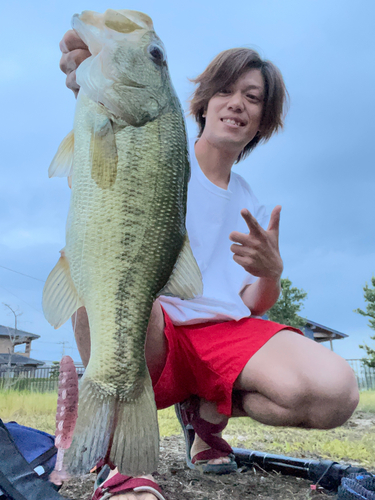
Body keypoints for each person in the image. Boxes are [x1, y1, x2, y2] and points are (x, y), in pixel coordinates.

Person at [59, 29, 359, 500]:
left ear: (264, 120)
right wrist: (86, 79)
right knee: (97, 290)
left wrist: (270, 271)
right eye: (225, 89)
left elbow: (253, 304)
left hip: (223, 334)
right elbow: (100, 153)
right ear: (201, 101)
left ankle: (203, 412)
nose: (237, 102)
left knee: (335, 393)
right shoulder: (156, 146)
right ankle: (122, 462)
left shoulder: (252, 203)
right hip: (157, 331)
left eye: (252, 97)